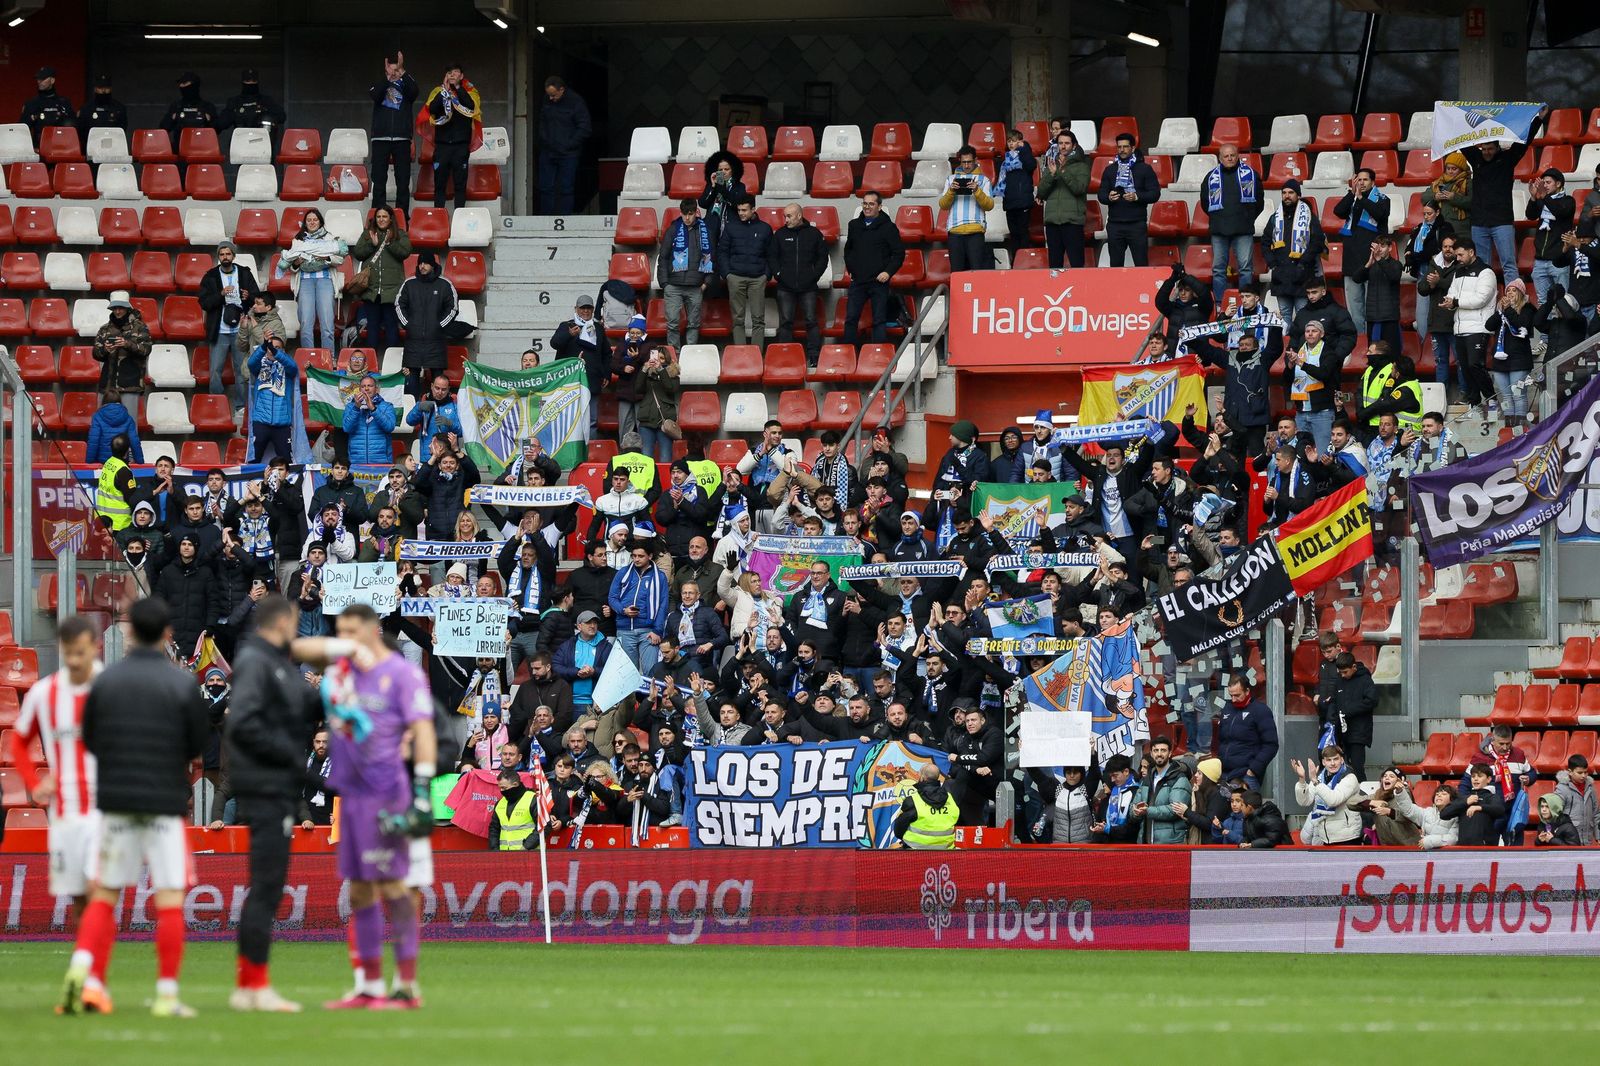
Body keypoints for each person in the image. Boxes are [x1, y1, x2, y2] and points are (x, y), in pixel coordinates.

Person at [61, 598, 209, 1018]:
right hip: (164, 802)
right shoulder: (181, 684)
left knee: (105, 894)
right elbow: (199, 745)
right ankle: (165, 994)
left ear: (128, 633)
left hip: (116, 802)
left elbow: (89, 739)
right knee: (168, 899)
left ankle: (84, 970)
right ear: (167, 635)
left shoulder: (104, 682)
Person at [309, 605, 436, 1009]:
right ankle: (368, 986)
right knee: (360, 890)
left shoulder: (401, 674)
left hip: (391, 794)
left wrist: (421, 788)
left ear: (369, 630)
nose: (343, 637)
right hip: (352, 798)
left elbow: (424, 730)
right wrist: (339, 646)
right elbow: (298, 647)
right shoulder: (343, 676)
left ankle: (407, 984)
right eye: (339, 631)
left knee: (398, 887)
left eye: (350, 630)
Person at [222, 595, 321, 1011]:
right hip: (264, 786)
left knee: (269, 886)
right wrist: (289, 760)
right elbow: (241, 724)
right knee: (265, 886)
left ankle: (251, 984)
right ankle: (252, 986)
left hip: (276, 785)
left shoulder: (277, 664)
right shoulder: (255, 662)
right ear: (282, 622)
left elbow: (309, 704)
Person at [12, 619, 103, 1005]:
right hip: (64, 814)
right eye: (68, 653)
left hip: (105, 809)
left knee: (101, 893)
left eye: (81, 652)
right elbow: (18, 743)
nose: (75, 660)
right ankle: (89, 981)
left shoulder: (111, 689)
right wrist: (34, 783)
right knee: (81, 900)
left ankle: (91, 980)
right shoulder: (45, 693)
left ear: (95, 647)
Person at [1460, 106, 1549, 285]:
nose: (1486, 152)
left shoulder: (1508, 159)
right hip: (1479, 223)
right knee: (1481, 266)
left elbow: (1524, 141)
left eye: (1490, 149)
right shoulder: (1476, 159)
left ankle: (1513, 303)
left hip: (1502, 222)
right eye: (1484, 149)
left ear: (1497, 148)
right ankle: (1484, 304)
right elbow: (1460, 140)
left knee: (1509, 264)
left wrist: (1538, 119)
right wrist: (1449, 116)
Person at [197, 241, 261, 417]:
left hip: (241, 330)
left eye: (228, 254)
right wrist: (221, 295)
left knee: (241, 370)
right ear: (218, 256)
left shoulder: (244, 273)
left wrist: (249, 297)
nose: (225, 257)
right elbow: (204, 302)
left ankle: (241, 407)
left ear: (233, 255)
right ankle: (217, 405)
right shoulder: (210, 276)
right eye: (222, 254)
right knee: (215, 371)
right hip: (220, 330)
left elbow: (257, 298)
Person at [1444, 239, 1501, 422]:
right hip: (1460, 327)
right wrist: (1450, 303)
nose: (1458, 258)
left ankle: (1492, 401)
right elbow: (1452, 293)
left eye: (1461, 254)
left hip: (1479, 327)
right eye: (1456, 255)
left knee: (1475, 365)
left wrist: (1456, 302)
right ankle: (1475, 404)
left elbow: (1481, 299)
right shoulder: (1458, 272)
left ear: (1471, 252)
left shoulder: (1486, 272)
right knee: (1465, 368)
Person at [1331, 168, 1391, 335]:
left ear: (1373, 182)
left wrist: (1361, 198)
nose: (1361, 183)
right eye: (1359, 180)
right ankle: (1358, 339)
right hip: (1351, 260)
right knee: (1354, 305)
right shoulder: (1353, 198)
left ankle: (1372, 340)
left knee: (1371, 304)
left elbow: (1380, 214)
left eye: (1365, 180)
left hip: (1372, 260)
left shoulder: (1382, 199)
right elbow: (1338, 211)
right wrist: (1352, 194)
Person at [768, 202, 829, 366]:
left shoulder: (814, 234)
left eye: (789, 216)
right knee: (786, 322)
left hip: (808, 286)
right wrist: (779, 275)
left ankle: (814, 357)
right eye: (784, 216)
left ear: (799, 216)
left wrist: (814, 275)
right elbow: (772, 257)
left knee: (811, 320)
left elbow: (823, 257)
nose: (785, 219)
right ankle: (785, 356)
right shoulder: (779, 234)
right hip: (785, 286)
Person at [842, 191, 905, 346]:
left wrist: (888, 272)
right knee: (850, 319)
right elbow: (848, 250)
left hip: (878, 282)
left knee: (879, 320)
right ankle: (849, 355)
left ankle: (878, 357)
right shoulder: (854, 225)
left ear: (879, 206)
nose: (867, 207)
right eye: (864, 203)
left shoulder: (889, 228)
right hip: (858, 281)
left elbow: (898, 254)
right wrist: (851, 269)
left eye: (871, 204)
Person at [395, 251, 459, 400]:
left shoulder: (444, 284)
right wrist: (408, 324)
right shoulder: (409, 283)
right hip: (413, 341)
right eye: (420, 263)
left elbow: (453, 307)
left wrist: (439, 325)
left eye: (426, 263)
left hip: (436, 341)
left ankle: (436, 416)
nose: (422, 266)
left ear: (433, 265)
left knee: (438, 385)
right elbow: (399, 304)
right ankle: (412, 418)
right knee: (411, 385)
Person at [349, 207, 413, 356]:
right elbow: (358, 253)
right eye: (378, 217)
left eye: (385, 216)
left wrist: (390, 243)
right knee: (372, 329)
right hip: (371, 291)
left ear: (391, 219)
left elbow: (405, 252)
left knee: (392, 327)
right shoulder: (368, 234)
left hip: (391, 292)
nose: (382, 219)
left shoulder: (400, 234)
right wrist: (372, 244)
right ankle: (371, 364)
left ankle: (393, 363)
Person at [1262, 179, 1326, 322]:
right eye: (1284, 193)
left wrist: (1303, 262)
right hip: (1281, 276)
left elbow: (1317, 242)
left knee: (1303, 317)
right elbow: (1265, 242)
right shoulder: (1275, 217)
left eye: (1291, 192)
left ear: (1298, 195)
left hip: (1302, 277)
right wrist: (1272, 264)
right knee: (1283, 318)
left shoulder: (1309, 216)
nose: (1287, 196)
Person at [1204, 144, 1260, 302]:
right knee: (1218, 270)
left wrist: (1247, 217)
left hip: (1243, 229)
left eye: (1232, 155)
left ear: (1238, 156)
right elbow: (1205, 203)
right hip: (1219, 231)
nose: (1229, 158)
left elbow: (1259, 201)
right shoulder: (1210, 177)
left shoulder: (1251, 175)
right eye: (1226, 156)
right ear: (1220, 158)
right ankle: (1221, 305)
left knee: (1246, 269)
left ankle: (1246, 303)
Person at [657, 199, 715, 350]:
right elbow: (663, 257)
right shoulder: (673, 229)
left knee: (694, 324)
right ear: (680, 213)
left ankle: (691, 354)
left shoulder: (705, 231)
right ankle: (674, 357)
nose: (687, 218)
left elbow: (711, 257)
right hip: (673, 285)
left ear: (696, 212)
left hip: (696, 285)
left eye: (690, 214)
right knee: (673, 324)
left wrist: (705, 283)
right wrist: (665, 284)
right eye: (684, 214)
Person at [1096, 132, 1161, 266]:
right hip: (1115, 224)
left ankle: (1143, 288)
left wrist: (1137, 196)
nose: (1122, 150)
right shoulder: (1110, 170)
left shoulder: (1145, 169)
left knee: (1141, 264)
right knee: (1115, 265)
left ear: (1132, 148)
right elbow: (1101, 194)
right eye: (1119, 147)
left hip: (1136, 224)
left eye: (1125, 147)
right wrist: (1108, 197)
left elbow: (1155, 194)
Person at [551, 294, 612, 433]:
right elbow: (554, 344)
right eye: (582, 308)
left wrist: (606, 374)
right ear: (576, 309)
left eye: (588, 308)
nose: (585, 311)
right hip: (570, 383)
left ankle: (590, 453)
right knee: (570, 420)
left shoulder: (599, 328)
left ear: (593, 309)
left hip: (592, 381)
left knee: (591, 421)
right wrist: (569, 335)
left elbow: (607, 354)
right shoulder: (566, 326)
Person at [369, 51, 419, 216]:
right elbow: (374, 95)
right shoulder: (380, 85)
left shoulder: (406, 87)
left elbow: (415, 91)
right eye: (390, 71)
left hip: (402, 139)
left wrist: (403, 73)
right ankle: (379, 215)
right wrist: (387, 78)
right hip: (380, 139)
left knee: (403, 181)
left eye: (396, 71)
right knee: (379, 180)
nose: (394, 74)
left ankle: (402, 216)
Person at [719, 196, 773, 347]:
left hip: (758, 279)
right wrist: (727, 274)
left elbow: (771, 254)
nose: (741, 213)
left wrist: (766, 275)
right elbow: (722, 252)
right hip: (735, 277)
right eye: (739, 210)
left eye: (744, 210)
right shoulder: (731, 227)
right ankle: (740, 355)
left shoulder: (765, 228)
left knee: (758, 319)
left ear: (753, 209)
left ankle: (756, 355)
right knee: (737, 319)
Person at [1484, 279, 1538, 430]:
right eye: (1508, 290)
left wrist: (1508, 310)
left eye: (1514, 290)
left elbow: (1521, 324)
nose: (1510, 293)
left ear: (1521, 293)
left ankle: (1520, 428)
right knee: (1506, 396)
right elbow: (1488, 325)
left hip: (1519, 359)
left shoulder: (1527, 309)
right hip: (1500, 360)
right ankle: (1510, 427)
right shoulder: (1504, 310)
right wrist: (1500, 310)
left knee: (1518, 395)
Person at [610, 543, 670, 675]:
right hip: (625, 629)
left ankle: (650, 697)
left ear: (650, 556)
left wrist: (657, 631)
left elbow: (663, 605)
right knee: (628, 674)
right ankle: (632, 697)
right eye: (634, 556)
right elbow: (612, 598)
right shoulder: (623, 573)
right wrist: (623, 610)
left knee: (651, 672)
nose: (636, 559)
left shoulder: (659, 576)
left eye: (641, 556)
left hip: (648, 631)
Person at [426, 64, 479, 210]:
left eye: (455, 73)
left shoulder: (470, 91)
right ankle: (438, 217)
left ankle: (459, 218)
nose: (452, 75)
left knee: (460, 184)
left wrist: (457, 88)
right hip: (442, 145)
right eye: (449, 73)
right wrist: (445, 91)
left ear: (461, 76)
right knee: (439, 184)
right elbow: (432, 109)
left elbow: (471, 107)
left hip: (460, 145)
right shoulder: (439, 91)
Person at [93, 291, 152, 419]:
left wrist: (127, 344)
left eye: (120, 308)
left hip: (130, 383)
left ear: (127, 308)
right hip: (108, 384)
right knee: (103, 422)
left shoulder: (140, 327)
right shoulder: (104, 328)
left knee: (129, 424)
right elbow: (96, 353)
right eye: (115, 308)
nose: (117, 311)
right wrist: (105, 350)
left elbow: (146, 350)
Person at [1036, 129, 1091, 269]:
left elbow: (1079, 188)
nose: (1063, 146)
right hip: (1052, 222)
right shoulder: (1051, 165)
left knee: (1077, 264)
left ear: (1074, 145)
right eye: (1060, 143)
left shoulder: (1082, 166)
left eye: (1067, 143)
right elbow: (1041, 192)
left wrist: (1062, 171)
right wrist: (1052, 175)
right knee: (1054, 266)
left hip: (1072, 221)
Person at [538, 75, 591, 215]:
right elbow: (542, 122)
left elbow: (585, 127)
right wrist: (544, 139)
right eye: (549, 95)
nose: (551, 98)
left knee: (566, 188)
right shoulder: (547, 100)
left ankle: (565, 219)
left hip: (568, 154)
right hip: (548, 151)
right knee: (545, 187)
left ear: (562, 90)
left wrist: (569, 144)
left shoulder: (576, 102)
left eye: (553, 95)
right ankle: (546, 218)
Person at [939, 144, 996, 272]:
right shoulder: (951, 179)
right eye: (964, 162)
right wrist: (951, 191)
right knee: (957, 273)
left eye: (969, 162)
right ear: (960, 161)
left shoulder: (984, 180)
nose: (966, 165)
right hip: (955, 232)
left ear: (975, 161)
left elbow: (989, 206)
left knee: (976, 273)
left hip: (975, 232)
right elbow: (943, 205)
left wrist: (977, 190)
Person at [246, 334, 301, 464]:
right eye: (270, 348)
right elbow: (251, 363)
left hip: (282, 424)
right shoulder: (259, 367)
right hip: (261, 421)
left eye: (277, 348)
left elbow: (293, 366)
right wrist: (264, 345)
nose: (272, 350)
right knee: (253, 461)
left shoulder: (288, 370)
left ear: (283, 351)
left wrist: (275, 352)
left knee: (286, 463)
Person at [1292, 744, 1362, 845]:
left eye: (1336, 759)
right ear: (1323, 762)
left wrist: (1315, 782)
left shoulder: (1350, 777)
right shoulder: (1320, 778)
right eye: (1329, 760)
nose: (1332, 763)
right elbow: (1305, 801)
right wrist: (1302, 779)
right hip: (1326, 838)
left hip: (1347, 836)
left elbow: (1334, 800)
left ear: (1342, 760)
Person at [1216, 676, 1278, 790]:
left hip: (1246, 775)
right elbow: (1222, 740)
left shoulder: (1260, 711)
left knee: (1246, 807)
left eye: (1237, 695)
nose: (1233, 699)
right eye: (1231, 695)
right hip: (1224, 774)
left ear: (1247, 691)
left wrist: (1253, 770)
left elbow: (1271, 745)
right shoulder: (1227, 708)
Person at [1527, 168, 1576, 307]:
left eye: (1548, 183)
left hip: (1558, 260)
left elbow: (1560, 212)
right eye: (1543, 183)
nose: (1545, 186)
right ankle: (1546, 330)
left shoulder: (1568, 201)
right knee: (1543, 303)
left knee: (1564, 302)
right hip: (1540, 261)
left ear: (1559, 184)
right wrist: (1533, 197)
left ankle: (1563, 329)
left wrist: (1545, 197)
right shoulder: (1543, 200)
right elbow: (1530, 215)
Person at [1132, 737, 1192, 844]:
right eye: (1156, 750)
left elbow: (1175, 810)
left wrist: (1148, 811)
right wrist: (1135, 812)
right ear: (1151, 753)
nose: (1159, 754)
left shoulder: (1180, 778)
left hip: (1170, 843)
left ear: (1170, 754)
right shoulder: (1147, 779)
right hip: (1145, 841)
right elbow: (1133, 808)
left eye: (1163, 750)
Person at [1348, 235, 1403, 347]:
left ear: (1390, 248)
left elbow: (1394, 276)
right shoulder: (1372, 265)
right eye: (1377, 247)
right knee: (1374, 352)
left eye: (1382, 246)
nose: (1379, 250)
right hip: (1373, 317)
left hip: (1389, 317)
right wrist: (1368, 264)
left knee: (1391, 352)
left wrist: (1379, 260)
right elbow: (1356, 278)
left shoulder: (1396, 264)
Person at [890, 764, 960, 849]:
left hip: (915, 850)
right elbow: (956, 819)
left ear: (923, 777)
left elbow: (898, 831)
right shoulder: (950, 798)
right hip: (946, 850)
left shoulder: (913, 800)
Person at [995, 129, 1037, 261]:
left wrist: (1024, 149)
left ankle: (1023, 261)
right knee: (1014, 235)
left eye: (1014, 141)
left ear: (1020, 141)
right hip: (1009, 202)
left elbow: (1031, 165)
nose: (1011, 144)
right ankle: (1015, 262)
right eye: (1009, 141)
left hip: (1023, 201)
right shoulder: (1004, 161)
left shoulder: (1025, 156)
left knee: (1023, 233)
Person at [1441, 763, 1507, 846]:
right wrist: (1465, 802)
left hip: (1485, 848)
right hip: (1463, 848)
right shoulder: (1465, 798)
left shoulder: (1492, 797)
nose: (1475, 779)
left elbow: (1500, 810)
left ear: (1489, 779)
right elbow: (1444, 814)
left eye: (1479, 776)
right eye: (1473, 776)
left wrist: (1480, 807)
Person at [219, 68, 286, 148]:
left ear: (257, 81)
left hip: (261, 142)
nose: (250, 83)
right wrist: (235, 115)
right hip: (240, 142)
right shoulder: (235, 101)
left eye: (253, 80)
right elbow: (221, 123)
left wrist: (264, 114)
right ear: (243, 82)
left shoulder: (266, 101)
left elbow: (282, 116)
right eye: (247, 80)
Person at [635, 346, 680, 463]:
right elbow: (637, 389)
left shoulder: (673, 375)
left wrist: (661, 370)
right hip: (647, 420)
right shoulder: (647, 374)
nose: (658, 361)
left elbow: (670, 388)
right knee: (646, 458)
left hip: (664, 422)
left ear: (667, 360)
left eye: (662, 358)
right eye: (656, 358)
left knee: (665, 457)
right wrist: (644, 369)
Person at [342, 374, 398, 466]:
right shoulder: (350, 407)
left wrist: (373, 409)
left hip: (381, 461)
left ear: (376, 389)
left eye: (370, 386)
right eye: (363, 386)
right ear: (360, 389)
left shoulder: (387, 406)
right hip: (356, 461)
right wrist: (356, 408)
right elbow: (347, 428)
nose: (366, 389)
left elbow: (389, 427)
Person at [160, 72, 219, 152]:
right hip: (180, 151)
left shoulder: (207, 107)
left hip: (202, 150)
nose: (181, 86)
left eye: (184, 83)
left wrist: (207, 119)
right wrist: (173, 118)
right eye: (180, 84)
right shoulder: (176, 106)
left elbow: (217, 128)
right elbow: (163, 128)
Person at [20, 66, 74, 145]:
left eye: (43, 79)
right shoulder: (31, 103)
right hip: (39, 148)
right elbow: (22, 130)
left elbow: (73, 128)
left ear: (52, 80)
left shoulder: (64, 103)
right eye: (38, 79)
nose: (39, 81)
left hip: (61, 147)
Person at [86, 393, 143, 465]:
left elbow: (93, 441)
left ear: (104, 402)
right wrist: (140, 463)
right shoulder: (128, 418)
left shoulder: (97, 417)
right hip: (122, 462)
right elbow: (135, 442)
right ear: (119, 402)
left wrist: (89, 463)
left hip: (102, 463)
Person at [1553, 755, 1597, 846]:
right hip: (1568, 842)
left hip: (1587, 841)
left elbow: (1596, 814)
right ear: (1570, 772)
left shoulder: (1591, 789)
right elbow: (1554, 814)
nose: (1583, 776)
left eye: (1586, 772)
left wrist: (1598, 836)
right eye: (1580, 773)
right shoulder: (1561, 790)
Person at [75, 74, 128, 139]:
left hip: (113, 144)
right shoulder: (86, 108)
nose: (103, 91)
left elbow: (122, 131)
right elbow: (81, 131)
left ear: (111, 89)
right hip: (91, 144)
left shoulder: (119, 108)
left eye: (106, 88)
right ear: (95, 89)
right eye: (100, 88)